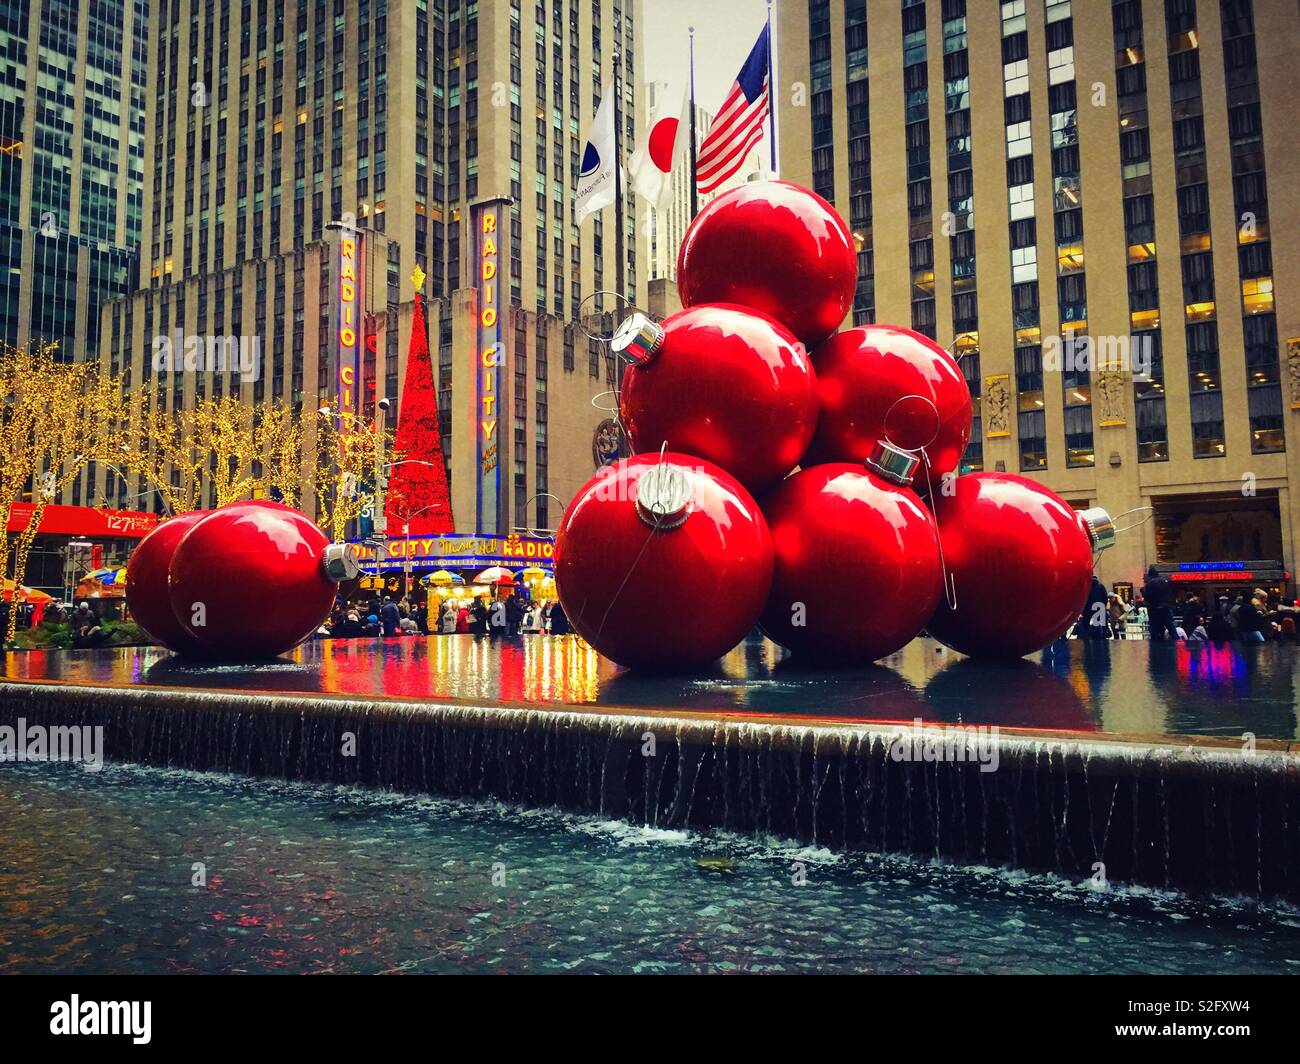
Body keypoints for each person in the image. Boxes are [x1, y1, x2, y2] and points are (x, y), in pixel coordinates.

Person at [1143, 566, 1177, 640]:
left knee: (1154, 629)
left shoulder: (1150, 583)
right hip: (1166, 608)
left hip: (1154, 609)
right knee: (1171, 627)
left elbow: (1147, 596)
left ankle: (1156, 646)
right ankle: (1177, 643)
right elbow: (1171, 594)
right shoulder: (1165, 581)